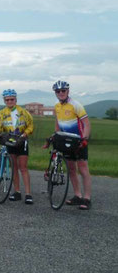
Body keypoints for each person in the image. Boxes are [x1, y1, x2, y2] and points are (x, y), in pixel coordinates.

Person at [49, 80, 92, 210]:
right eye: (58, 91)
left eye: (63, 91)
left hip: (79, 141)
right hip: (66, 141)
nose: (61, 93)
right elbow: (58, 124)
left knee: (83, 169)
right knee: (72, 169)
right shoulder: (56, 106)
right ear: (55, 93)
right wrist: (55, 136)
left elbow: (87, 124)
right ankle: (77, 196)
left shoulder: (75, 105)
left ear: (68, 91)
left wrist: (84, 139)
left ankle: (87, 198)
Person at [0, 89, 34, 204]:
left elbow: (30, 125)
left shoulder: (23, 112)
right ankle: (17, 192)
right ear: (4, 100)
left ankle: (28, 194)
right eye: (7, 100)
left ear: (16, 100)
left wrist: (25, 134)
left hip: (21, 141)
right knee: (14, 168)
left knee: (23, 167)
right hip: (10, 141)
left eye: (12, 99)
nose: (9, 101)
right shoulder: (2, 112)